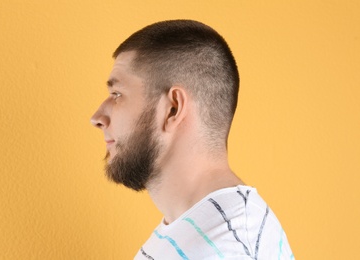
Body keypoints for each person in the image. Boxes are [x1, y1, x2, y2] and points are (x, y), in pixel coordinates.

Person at [91, 20, 294, 260]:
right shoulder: (198, 233)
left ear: (173, 109)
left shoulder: (226, 246)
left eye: (117, 94)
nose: (97, 118)